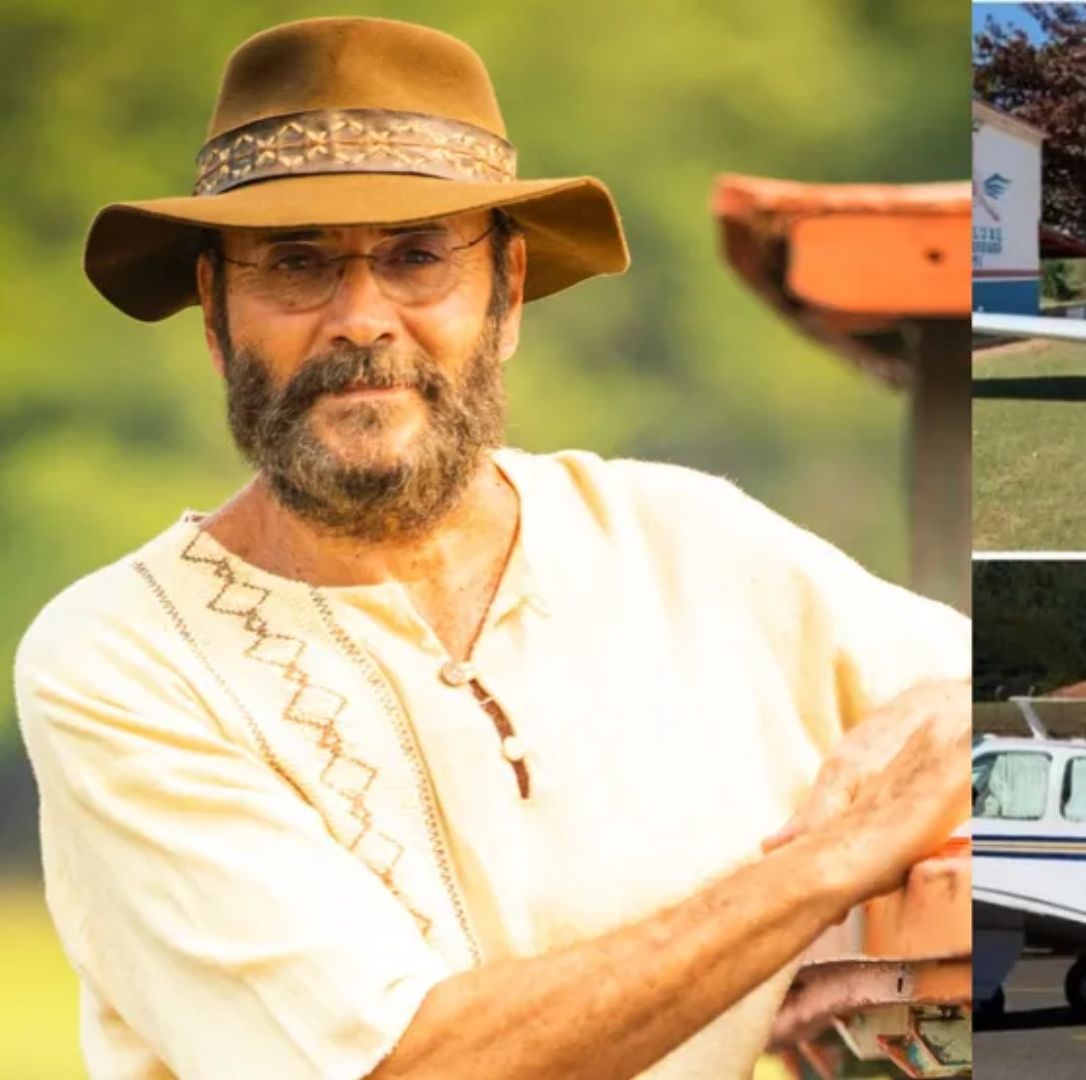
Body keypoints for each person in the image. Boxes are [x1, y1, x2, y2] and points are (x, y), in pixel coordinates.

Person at [15, 17, 968, 1080]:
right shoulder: (124, 658)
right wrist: (833, 868)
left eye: (418, 257)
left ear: (507, 295)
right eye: (296, 263)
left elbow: (991, 715)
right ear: (215, 314)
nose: (361, 318)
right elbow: (402, 1068)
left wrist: (939, 750)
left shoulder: (687, 544)